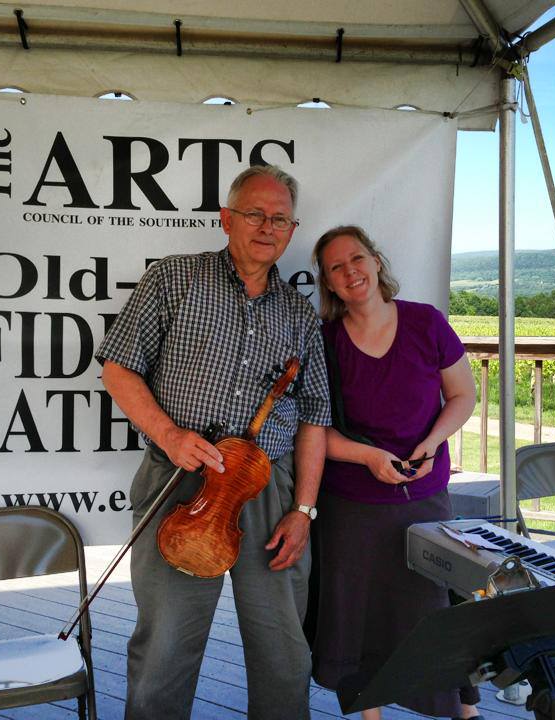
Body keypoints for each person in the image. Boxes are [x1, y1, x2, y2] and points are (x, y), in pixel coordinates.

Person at [96, 165, 331, 720]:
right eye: (255, 213)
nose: (266, 227)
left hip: (266, 489)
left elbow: (314, 418)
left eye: (279, 218)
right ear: (226, 218)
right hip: (179, 483)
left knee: (282, 652)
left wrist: (302, 510)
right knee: (165, 648)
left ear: (292, 231)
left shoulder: (299, 314)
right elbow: (118, 369)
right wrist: (170, 435)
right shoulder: (174, 278)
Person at [309, 225, 480, 719]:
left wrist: (431, 443)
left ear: (377, 261)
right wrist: (368, 458)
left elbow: (463, 396)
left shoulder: (426, 322)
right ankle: (371, 713)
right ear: (329, 283)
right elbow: (315, 431)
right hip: (352, 506)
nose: (350, 272)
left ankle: (462, 710)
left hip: (426, 498)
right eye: (336, 268)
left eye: (356, 258)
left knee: (434, 607)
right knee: (358, 615)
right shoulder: (325, 342)